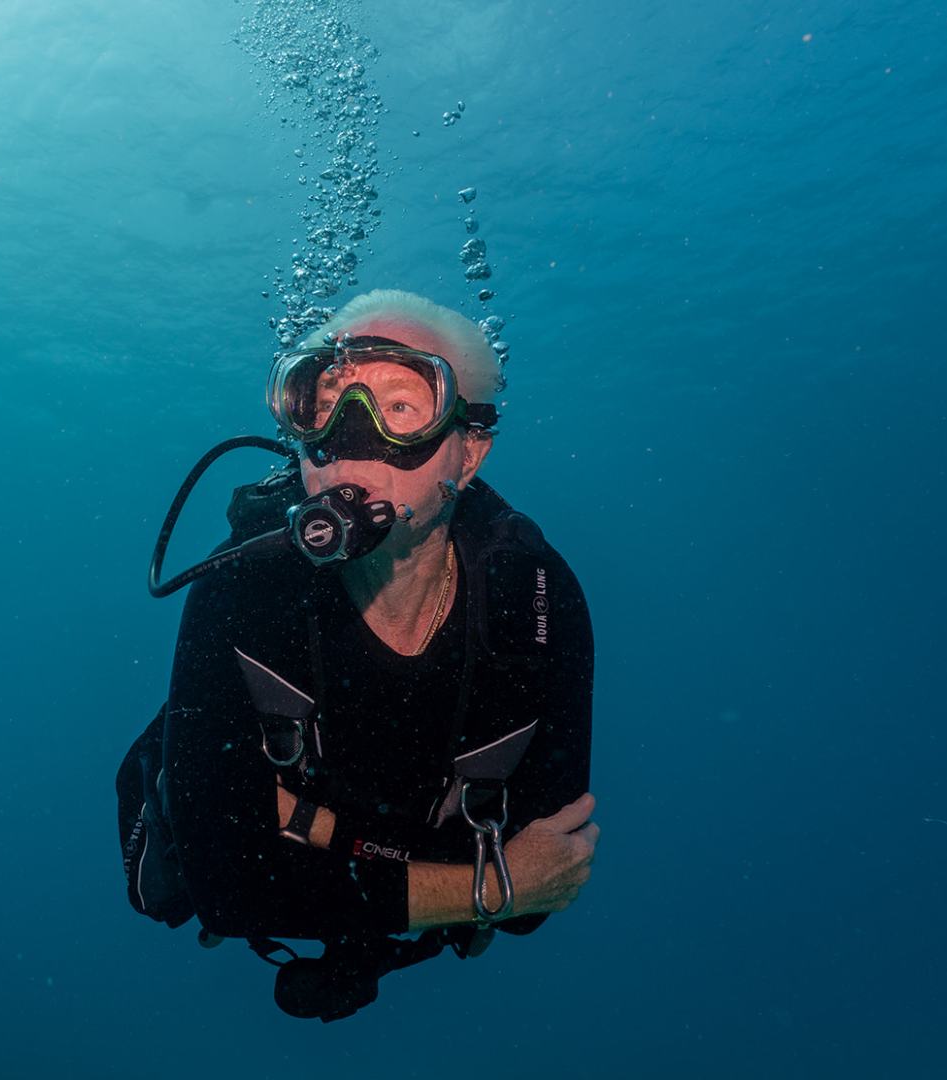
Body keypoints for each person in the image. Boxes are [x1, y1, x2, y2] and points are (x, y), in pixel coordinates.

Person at [124, 289, 599, 1021]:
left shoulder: (534, 600)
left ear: (467, 453)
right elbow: (228, 887)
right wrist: (484, 887)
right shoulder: (243, 586)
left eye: (401, 405)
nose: (353, 435)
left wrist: (315, 837)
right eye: (325, 401)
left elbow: (552, 882)